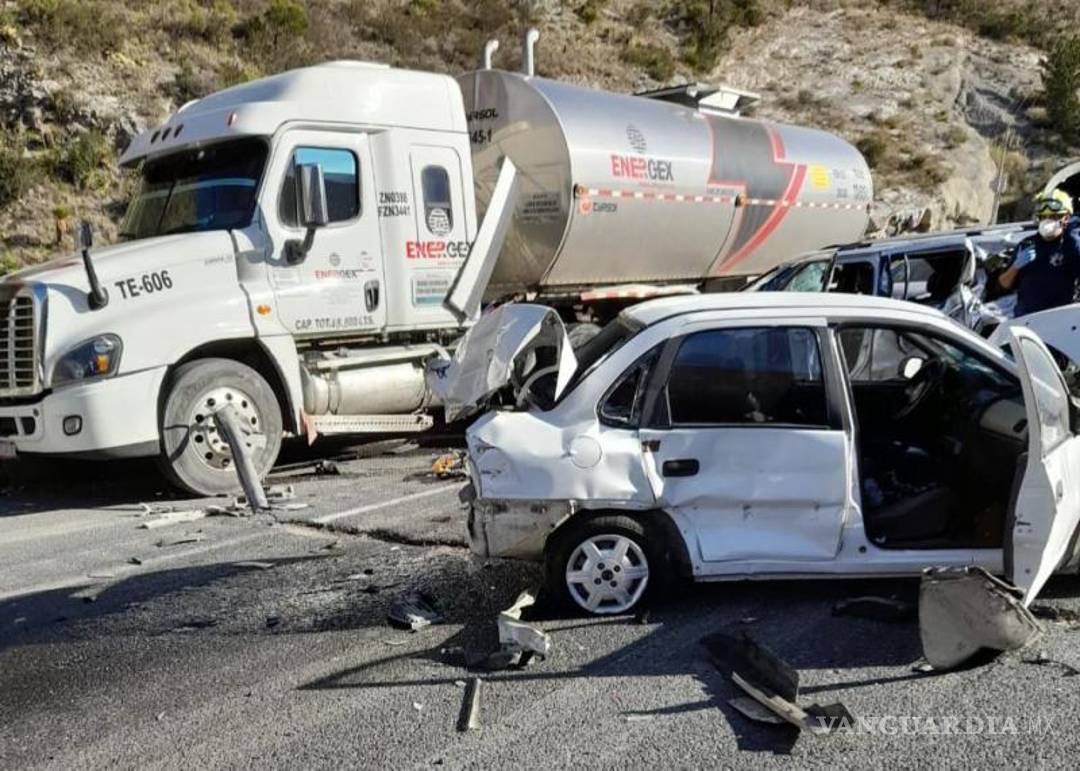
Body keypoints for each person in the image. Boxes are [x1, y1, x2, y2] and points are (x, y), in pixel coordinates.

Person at [999, 189, 1080, 316]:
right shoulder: (1026, 244)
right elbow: (1004, 284)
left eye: (1053, 216)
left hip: (1057, 320)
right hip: (1024, 321)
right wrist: (1015, 267)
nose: (1047, 221)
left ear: (1066, 218)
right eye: (1044, 217)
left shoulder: (1072, 246)